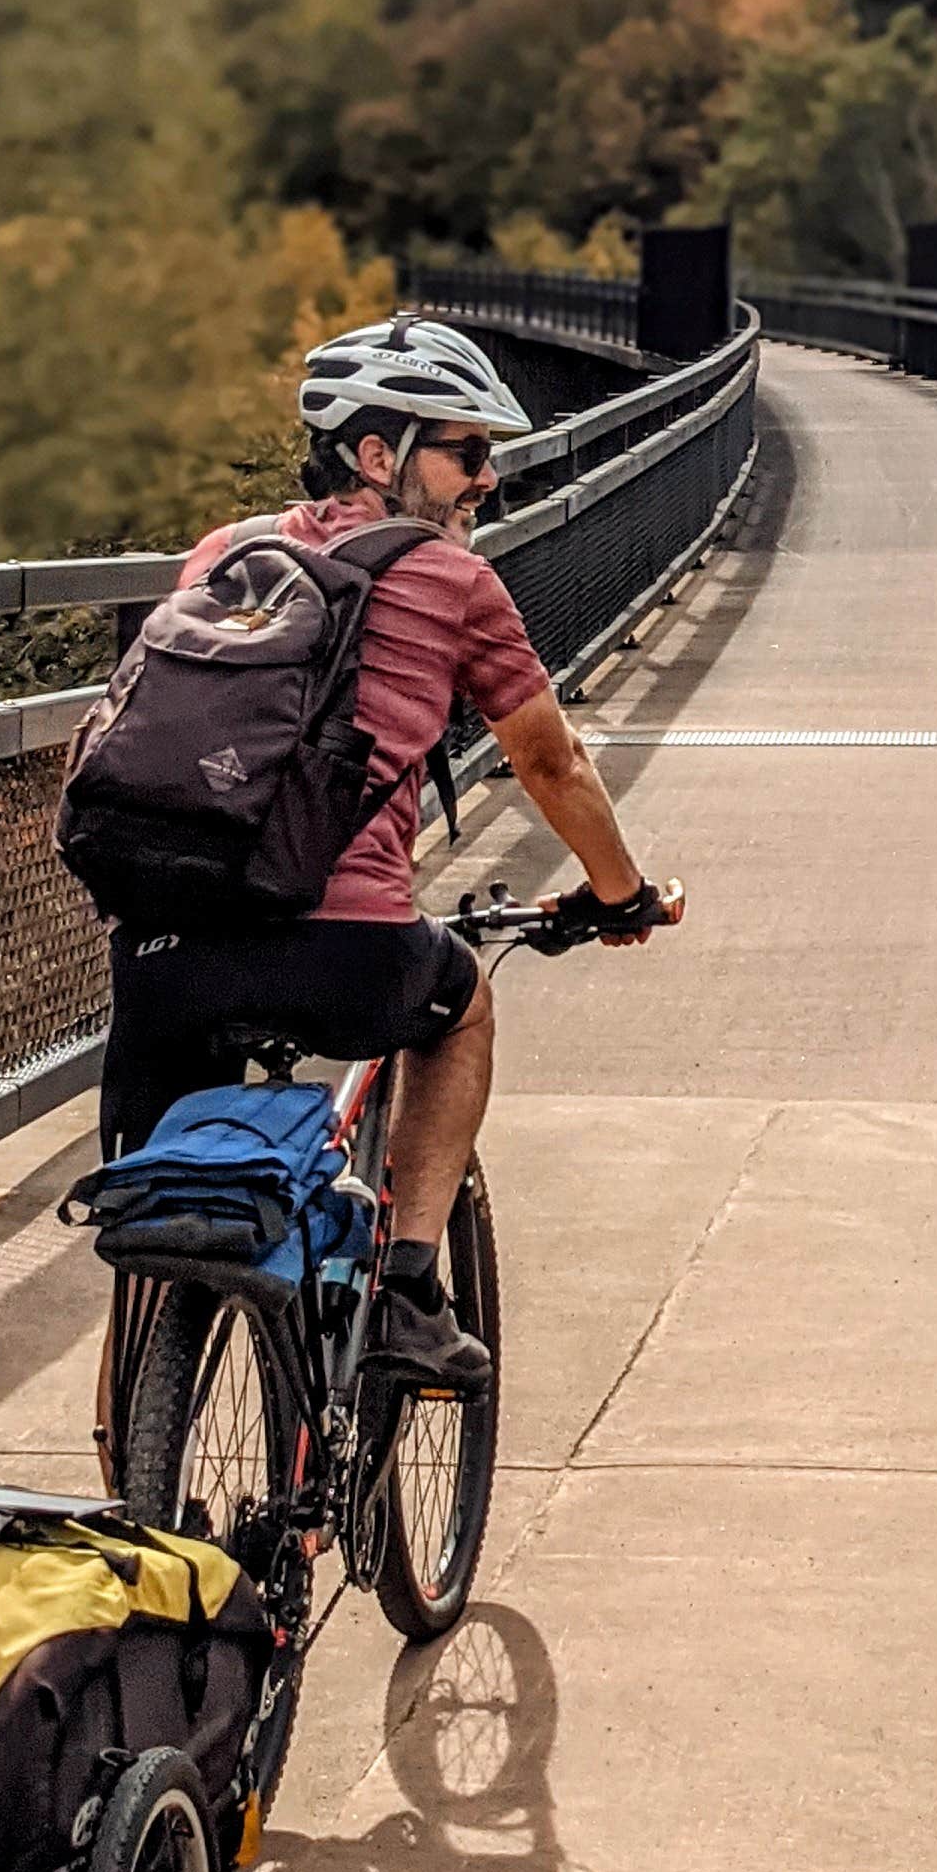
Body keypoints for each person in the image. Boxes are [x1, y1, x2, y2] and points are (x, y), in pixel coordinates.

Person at [97, 313, 666, 1391]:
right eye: (467, 451)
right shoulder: (454, 584)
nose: (487, 480)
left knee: (156, 1233)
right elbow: (551, 763)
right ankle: (407, 1291)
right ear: (377, 453)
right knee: (458, 1006)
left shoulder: (221, 556)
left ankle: (136, 1449)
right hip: (343, 949)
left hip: (166, 954)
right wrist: (619, 894)